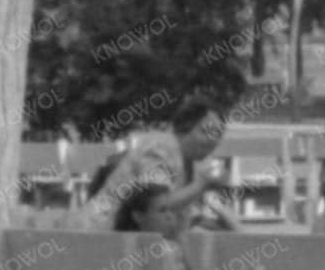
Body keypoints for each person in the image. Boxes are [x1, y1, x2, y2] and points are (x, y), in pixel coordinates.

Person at [85, 91, 237, 226]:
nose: (213, 140)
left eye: (218, 134)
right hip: (96, 233)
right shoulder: (159, 148)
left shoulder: (192, 165)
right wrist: (200, 186)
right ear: (185, 127)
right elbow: (156, 206)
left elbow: (174, 216)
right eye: (206, 131)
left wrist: (216, 223)